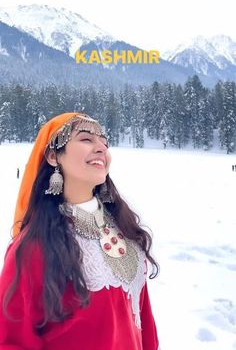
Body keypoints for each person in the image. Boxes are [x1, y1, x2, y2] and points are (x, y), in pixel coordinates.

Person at [0, 112, 160, 350]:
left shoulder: (125, 228)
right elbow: (11, 341)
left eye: (105, 142)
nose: (101, 148)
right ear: (54, 155)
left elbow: (143, 325)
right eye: (86, 139)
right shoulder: (33, 247)